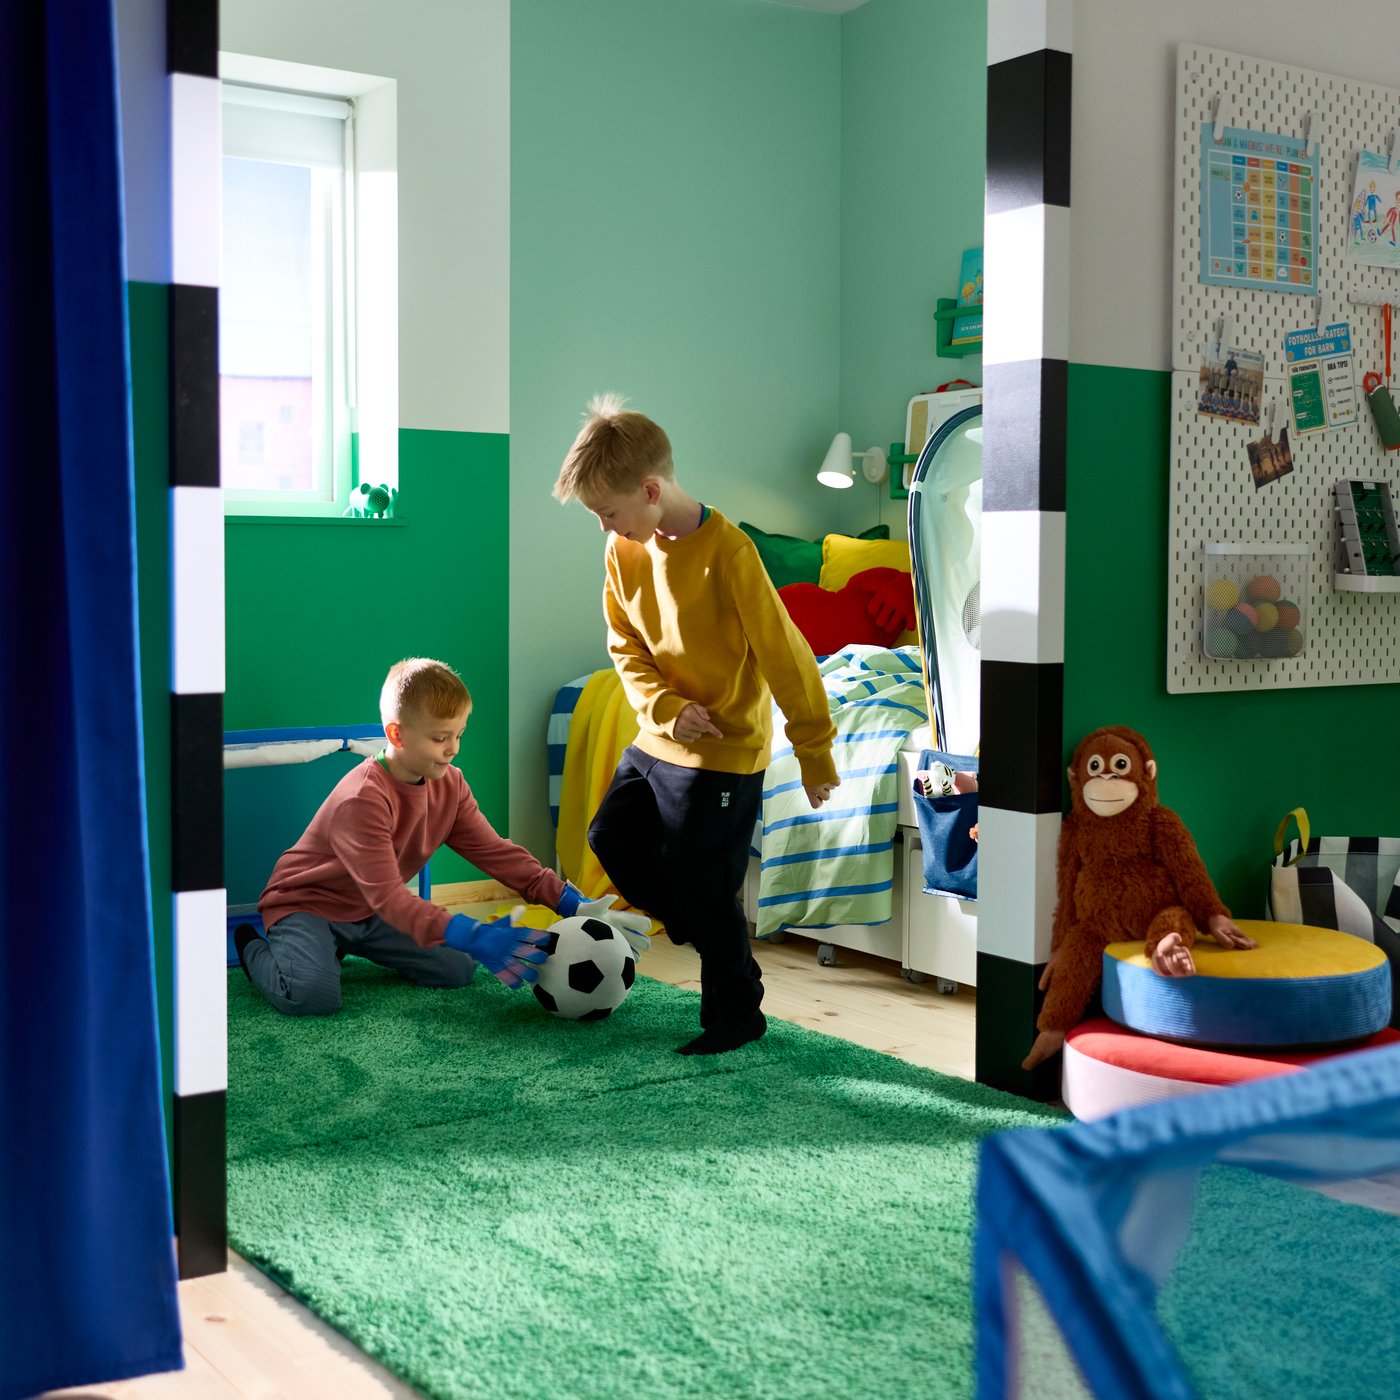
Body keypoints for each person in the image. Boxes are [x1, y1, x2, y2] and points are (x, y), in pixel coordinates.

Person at [553, 394, 839, 1055]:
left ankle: (737, 1015)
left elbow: (788, 656)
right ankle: (710, 934)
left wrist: (815, 751)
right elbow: (624, 644)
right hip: (661, 737)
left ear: (651, 490)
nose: (604, 528)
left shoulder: (731, 554)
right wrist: (664, 709)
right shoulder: (624, 550)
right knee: (611, 839)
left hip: (724, 751)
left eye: (610, 513)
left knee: (706, 883)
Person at [235, 656, 648, 1017]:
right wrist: (475, 932)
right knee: (312, 997)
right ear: (396, 735)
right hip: (310, 904)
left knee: (456, 969)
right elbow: (391, 899)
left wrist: (573, 902)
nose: (453, 749)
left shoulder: (450, 785)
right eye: (439, 738)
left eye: (458, 735)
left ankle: (333, 949)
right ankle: (256, 949)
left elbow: (496, 853)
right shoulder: (362, 800)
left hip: (371, 912)